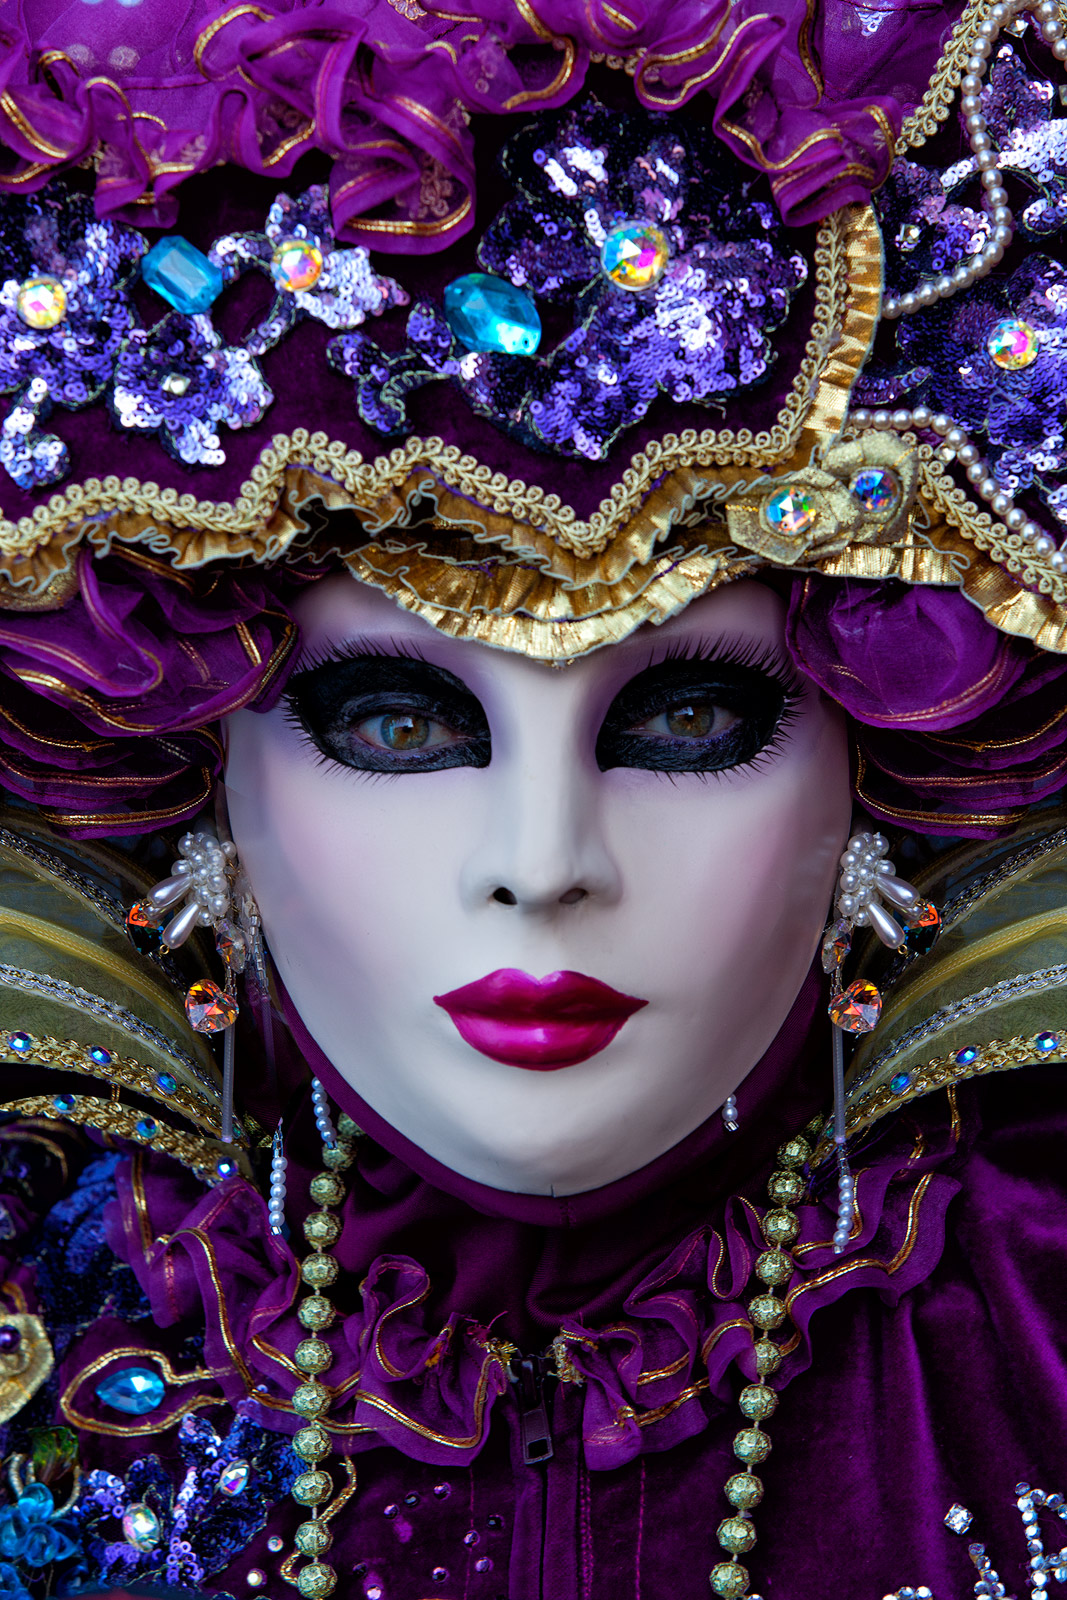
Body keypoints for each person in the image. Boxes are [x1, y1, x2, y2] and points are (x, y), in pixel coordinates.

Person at [1, 0, 1067, 1596]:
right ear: (203, 775)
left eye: (693, 716)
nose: (543, 867)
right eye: (392, 718)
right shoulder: (55, 1280)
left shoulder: (1032, 1310)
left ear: (879, 764)